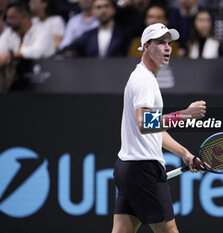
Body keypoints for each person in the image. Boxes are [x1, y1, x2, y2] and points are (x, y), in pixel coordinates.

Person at [112, 23, 206, 233]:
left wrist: (185, 154)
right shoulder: (144, 80)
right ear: (145, 46)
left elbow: (155, 131)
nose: (167, 48)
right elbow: (145, 123)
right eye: (160, 43)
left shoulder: (145, 78)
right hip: (143, 169)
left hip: (128, 168)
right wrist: (185, 115)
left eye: (169, 43)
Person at [63, 0, 130, 58]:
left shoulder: (124, 34)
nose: (103, 11)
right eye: (99, 7)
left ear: (113, 9)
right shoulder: (87, 36)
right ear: (93, 12)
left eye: (106, 6)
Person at [0, 2, 54, 67]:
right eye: (7, 18)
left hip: (46, 70)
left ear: (24, 17)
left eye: (12, 17)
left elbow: (37, 51)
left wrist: (10, 54)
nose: (8, 21)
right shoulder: (10, 32)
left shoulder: (43, 31)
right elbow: (1, 48)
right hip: (19, 72)